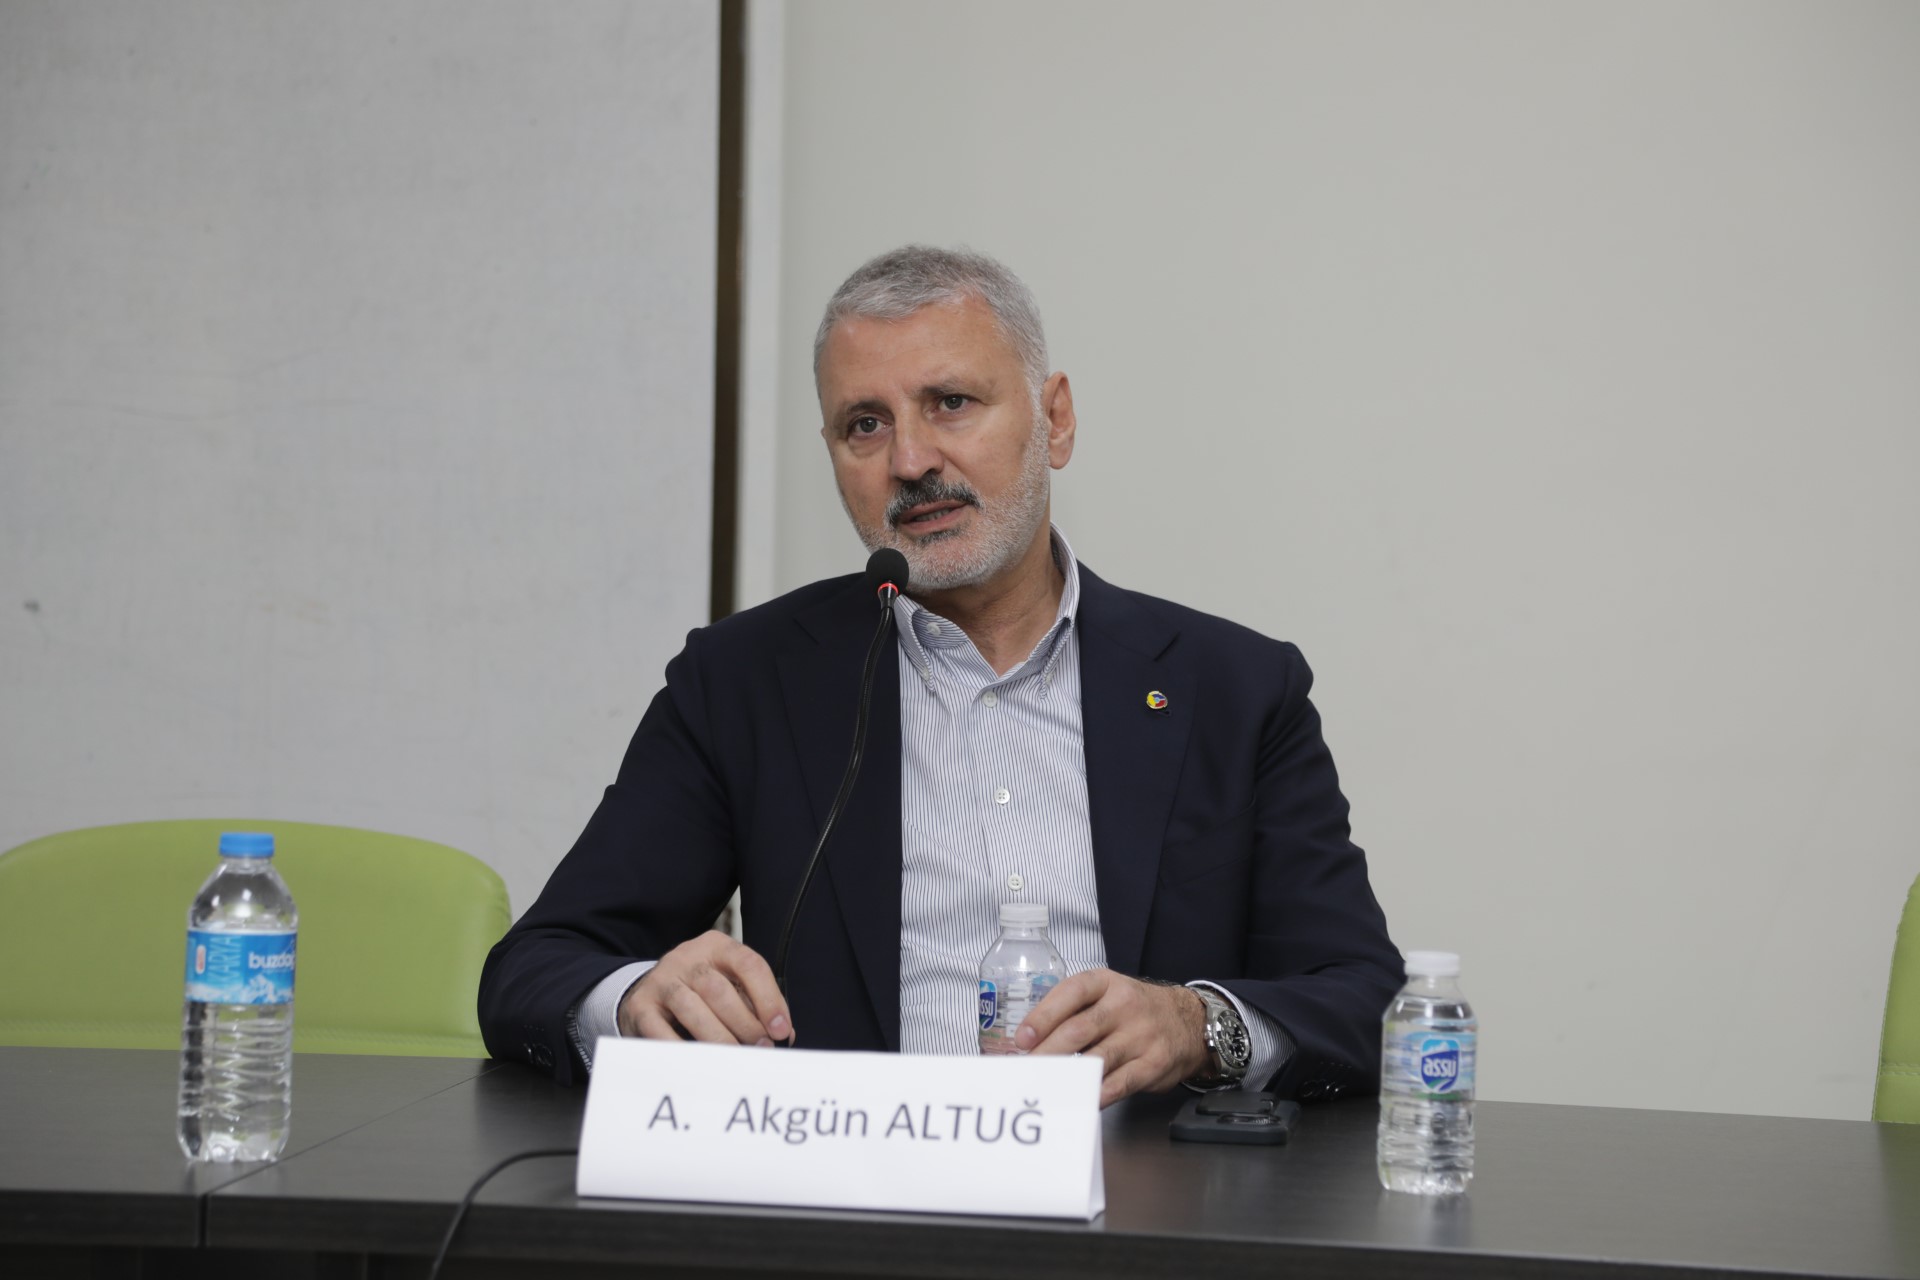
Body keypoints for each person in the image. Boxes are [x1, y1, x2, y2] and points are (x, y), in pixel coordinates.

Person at [479, 246, 1402, 1106]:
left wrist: (1196, 1025)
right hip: (846, 1195)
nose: (911, 462)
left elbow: (1363, 998)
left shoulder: (1233, 689)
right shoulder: (747, 682)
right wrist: (638, 996)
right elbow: (536, 968)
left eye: (951, 403)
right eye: (865, 425)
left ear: (1055, 420)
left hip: (1146, 1196)